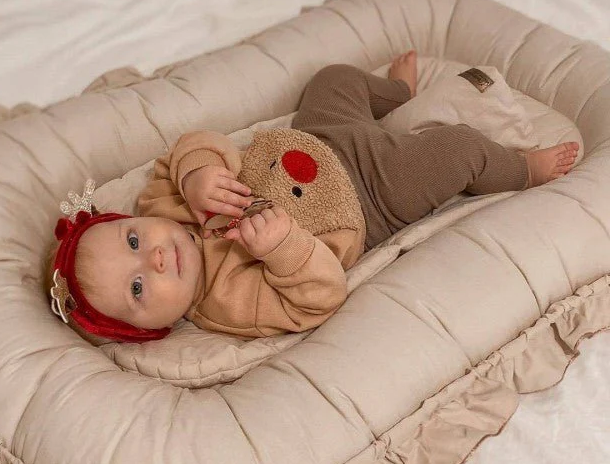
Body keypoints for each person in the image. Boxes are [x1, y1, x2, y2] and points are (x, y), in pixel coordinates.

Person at [48, 50, 579, 344]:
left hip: (318, 136)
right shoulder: (228, 303)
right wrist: (283, 249)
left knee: (332, 76)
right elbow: (318, 298)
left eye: (133, 240)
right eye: (139, 286)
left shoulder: (164, 205)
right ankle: (523, 169)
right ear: (153, 329)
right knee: (455, 149)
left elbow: (186, 149)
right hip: (371, 196)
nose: (156, 258)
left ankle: (397, 96)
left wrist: (197, 174)